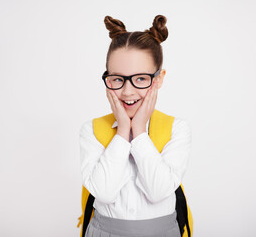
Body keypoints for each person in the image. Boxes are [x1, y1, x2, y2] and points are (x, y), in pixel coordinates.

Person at [78, 14, 192, 237]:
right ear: (108, 78)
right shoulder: (91, 130)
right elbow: (104, 192)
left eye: (140, 78)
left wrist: (139, 132)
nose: (127, 92)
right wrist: (122, 131)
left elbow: (158, 191)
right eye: (118, 79)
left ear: (158, 79)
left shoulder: (176, 129)